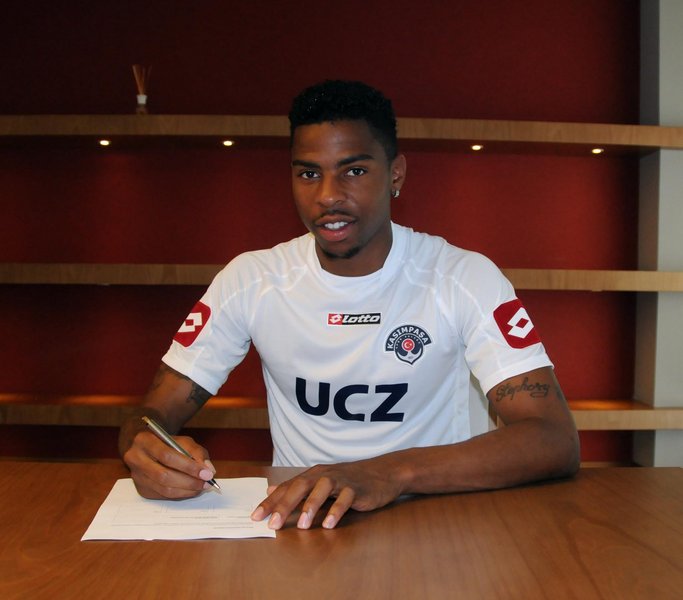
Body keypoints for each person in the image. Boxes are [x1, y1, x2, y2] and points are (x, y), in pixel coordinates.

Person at [119, 79, 580, 530]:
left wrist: (387, 473)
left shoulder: (464, 278)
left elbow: (553, 438)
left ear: (395, 174)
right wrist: (146, 450)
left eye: (354, 171)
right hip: (303, 527)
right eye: (308, 174)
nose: (327, 196)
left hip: (437, 526)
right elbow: (149, 416)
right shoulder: (251, 279)